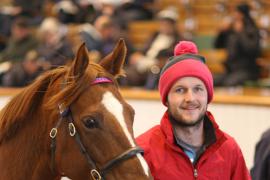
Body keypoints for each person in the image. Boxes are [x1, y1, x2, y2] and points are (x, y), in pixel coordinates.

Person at [136, 41, 251, 179]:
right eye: (180, 90)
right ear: (166, 99)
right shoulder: (144, 150)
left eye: (198, 89)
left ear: (208, 96)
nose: (190, 98)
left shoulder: (229, 149)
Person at [213, 2, 261, 86]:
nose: (235, 16)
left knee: (229, 83)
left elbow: (252, 50)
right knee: (212, 80)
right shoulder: (231, 31)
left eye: (237, 13)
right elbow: (217, 45)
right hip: (231, 70)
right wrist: (221, 32)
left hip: (247, 70)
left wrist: (240, 33)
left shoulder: (252, 30)